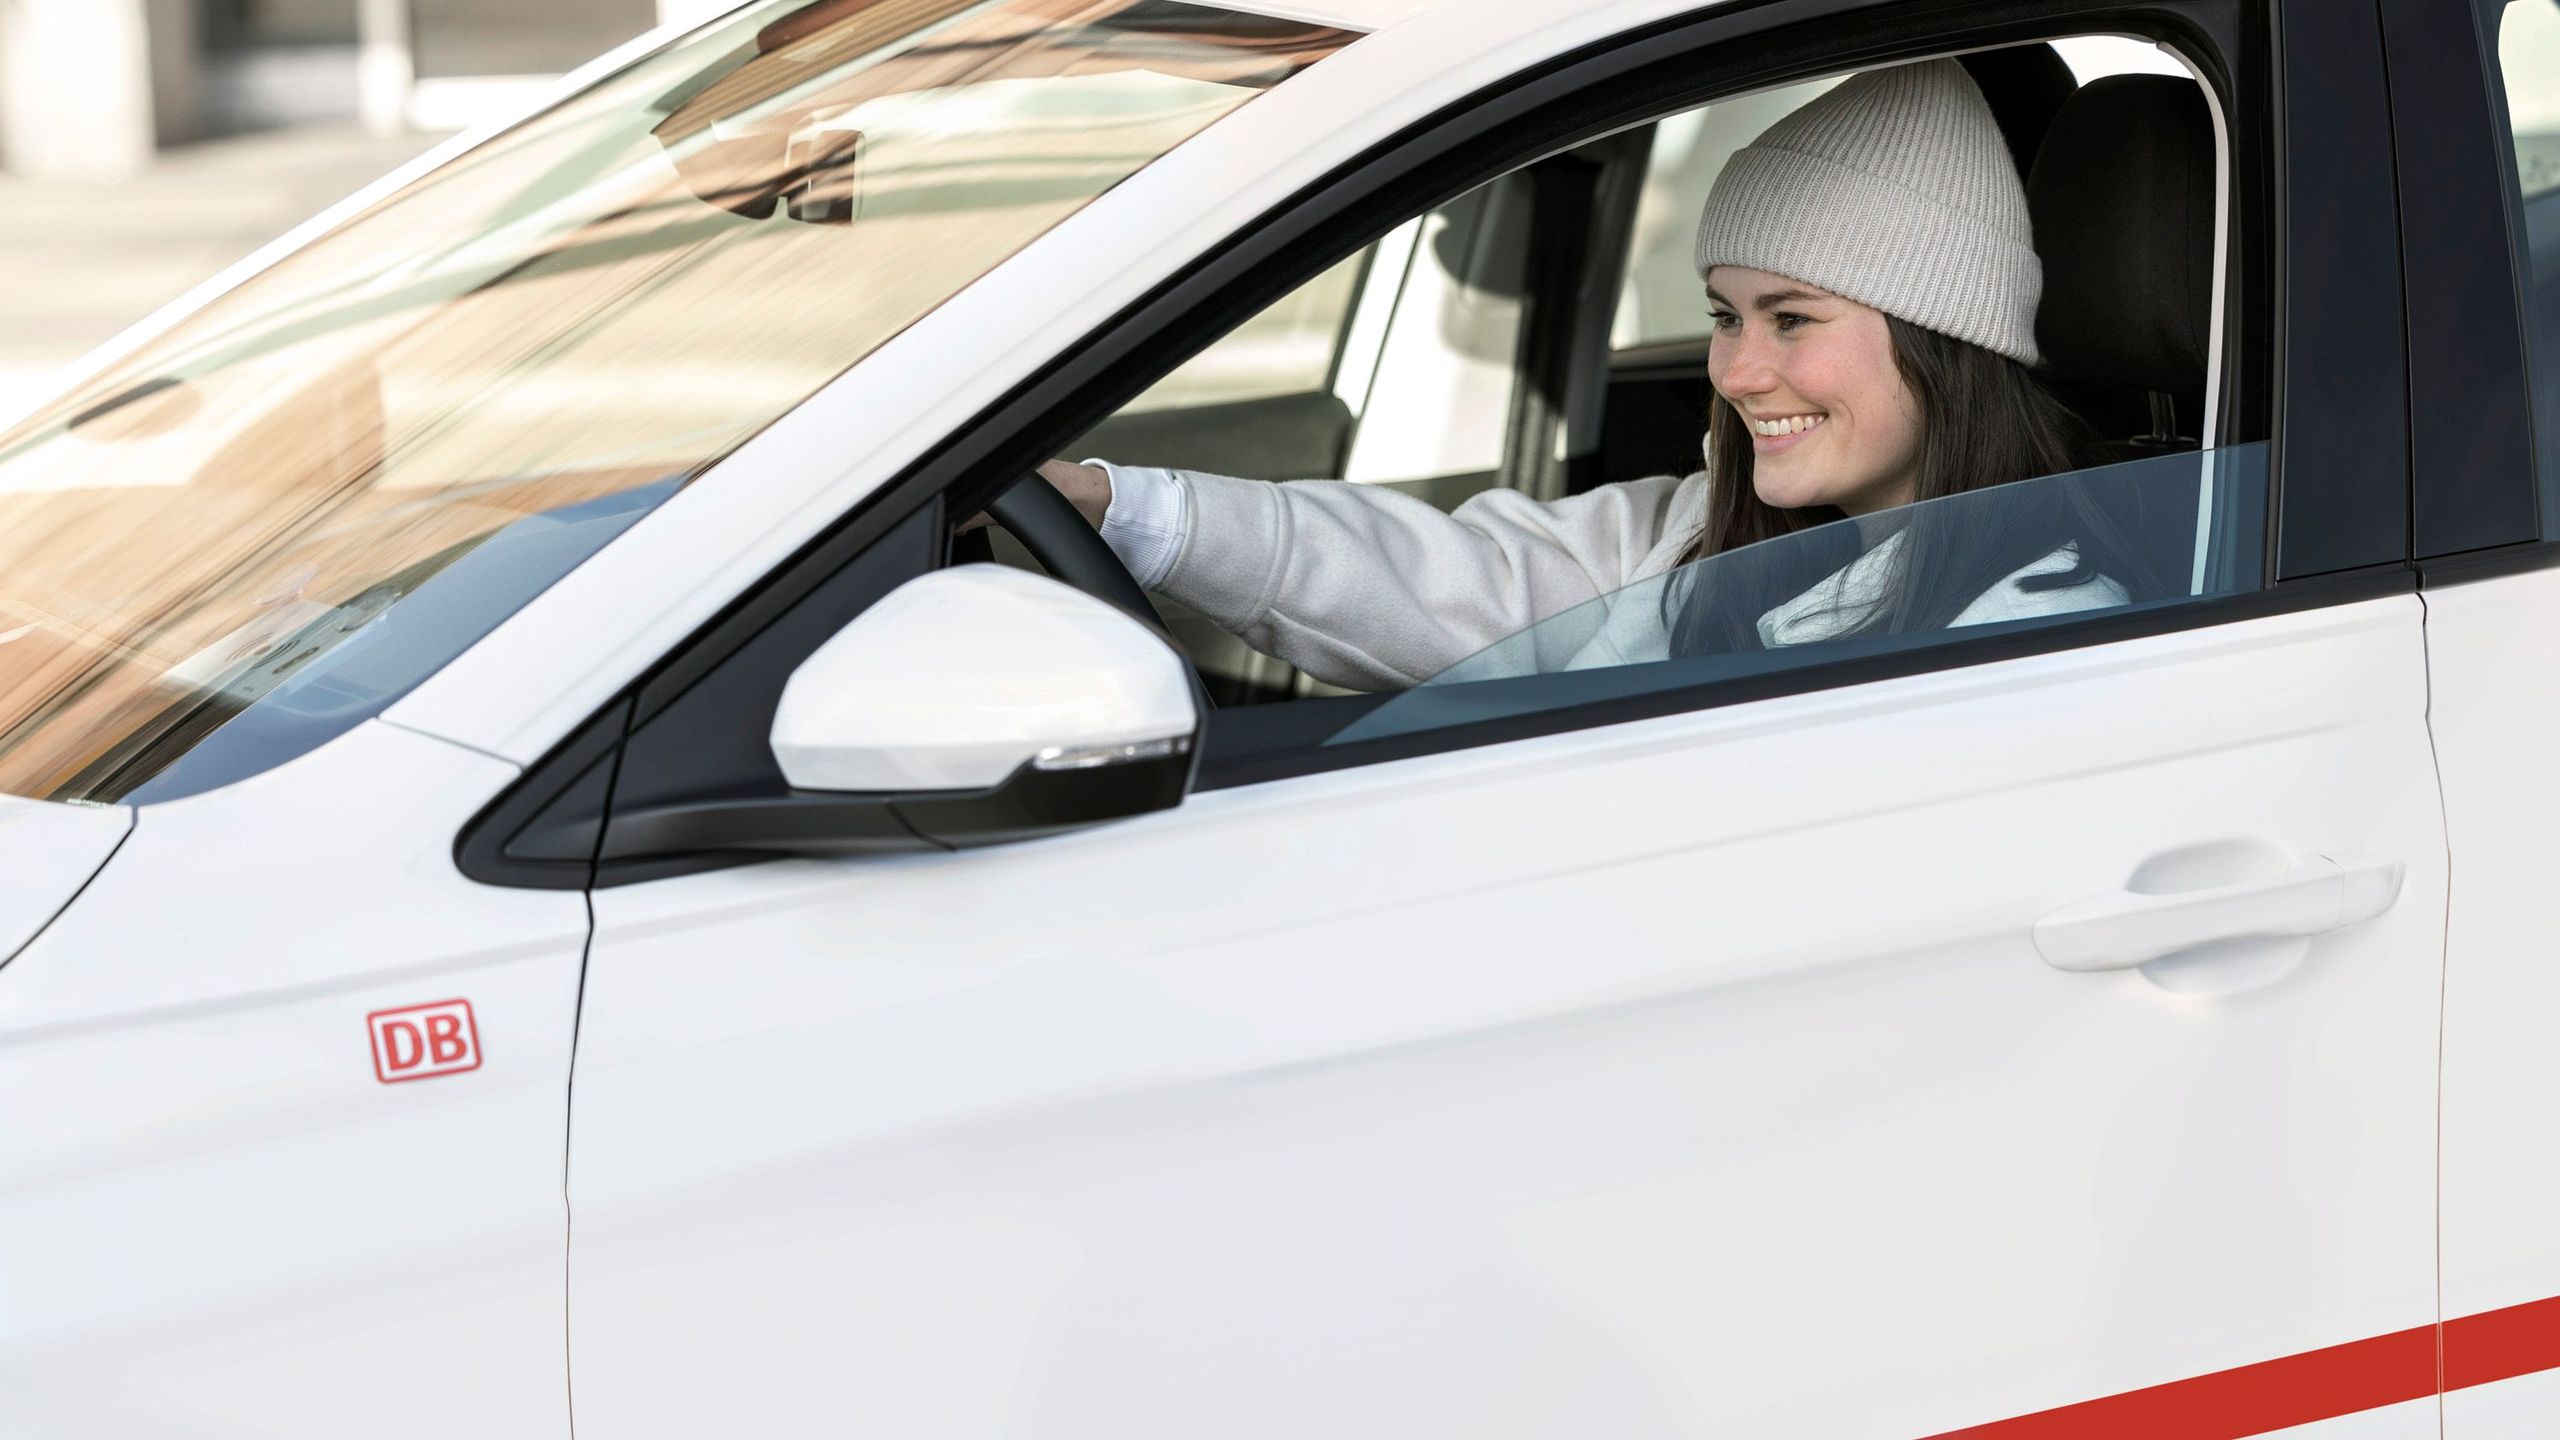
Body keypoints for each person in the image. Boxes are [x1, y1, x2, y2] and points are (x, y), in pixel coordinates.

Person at [1033, 59, 2155, 691]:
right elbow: (1452, 582)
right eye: (1724, 315)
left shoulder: (2041, 629)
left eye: (1791, 317)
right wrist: (1123, 508)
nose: (1738, 369)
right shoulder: (1688, 540)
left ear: (1945, 340)